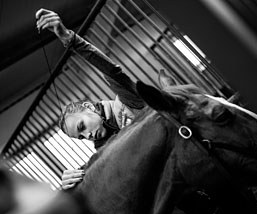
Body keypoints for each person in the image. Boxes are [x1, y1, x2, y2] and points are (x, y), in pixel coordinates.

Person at [35, 9, 176, 190]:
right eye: (81, 137)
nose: (87, 135)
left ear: (88, 107)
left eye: (82, 126)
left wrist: (68, 38)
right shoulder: (103, 149)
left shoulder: (128, 99)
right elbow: (105, 172)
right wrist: (71, 183)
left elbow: (110, 71)